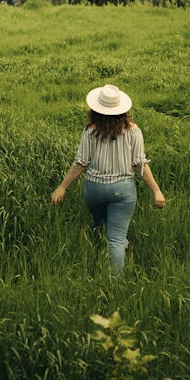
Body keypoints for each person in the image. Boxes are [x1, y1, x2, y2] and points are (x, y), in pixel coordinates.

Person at [51, 84, 165, 273]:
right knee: (117, 238)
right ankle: (115, 285)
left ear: (95, 109)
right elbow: (139, 164)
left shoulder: (90, 131)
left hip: (94, 188)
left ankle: (95, 250)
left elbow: (80, 164)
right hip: (123, 190)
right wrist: (157, 191)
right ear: (122, 109)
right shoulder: (133, 131)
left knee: (98, 225)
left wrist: (62, 187)